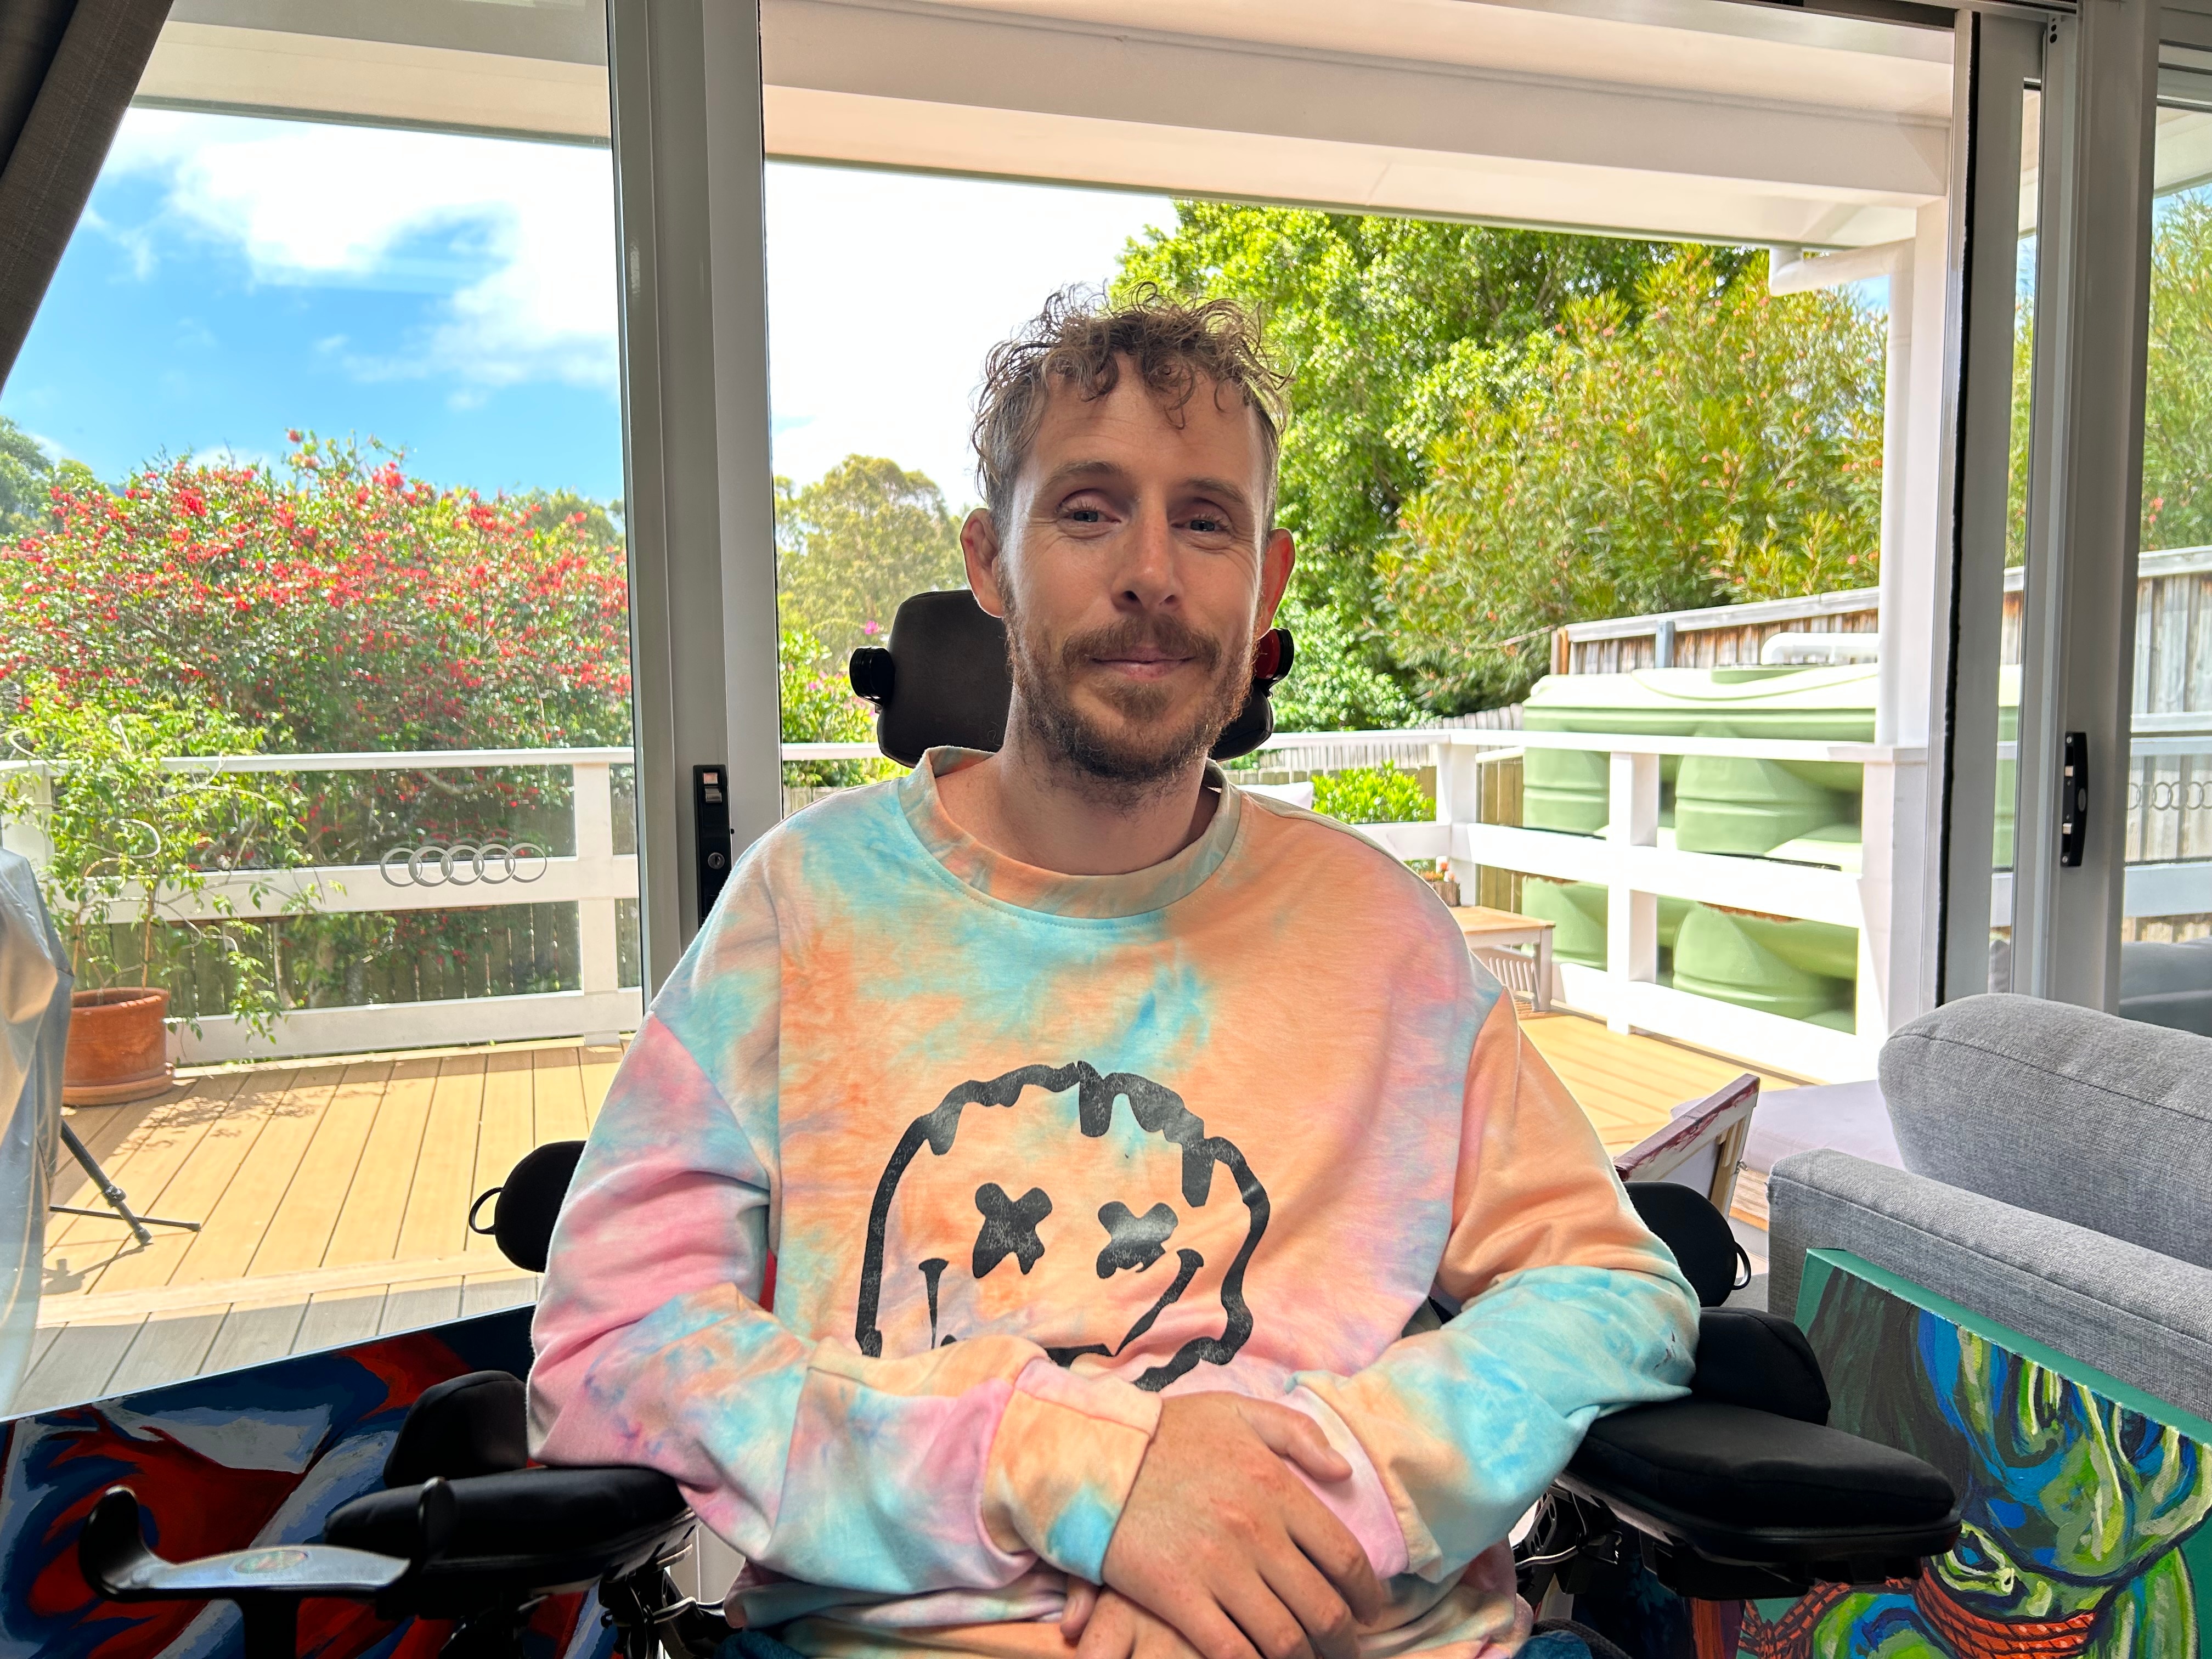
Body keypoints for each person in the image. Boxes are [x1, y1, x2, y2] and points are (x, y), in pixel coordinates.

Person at [528, 291, 1696, 1659]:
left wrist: (1303, 1495)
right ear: (990, 561)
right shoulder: (807, 905)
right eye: (1088, 510)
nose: (1152, 569)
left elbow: (1615, 1287)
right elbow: (612, 1351)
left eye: (1206, 520)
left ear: (1267, 585)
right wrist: (1073, 1472)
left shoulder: (1382, 933)